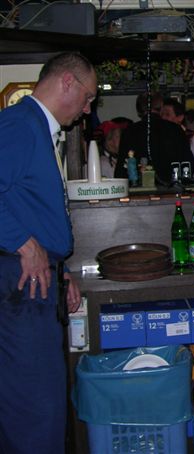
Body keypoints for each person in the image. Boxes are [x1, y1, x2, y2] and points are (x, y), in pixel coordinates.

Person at [0, 51, 89, 454]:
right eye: (88, 97)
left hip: (37, 278)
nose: (87, 109)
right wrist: (23, 242)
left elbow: (25, 203)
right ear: (67, 81)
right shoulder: (21, 124)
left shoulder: (35, 127)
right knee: (34, 405)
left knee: (44, 400)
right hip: (19, 283)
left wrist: (58, 269)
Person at [114, 92, 194, 185]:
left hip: (138, 187)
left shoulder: (129, 131)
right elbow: (188, 163)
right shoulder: (175, 129)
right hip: (170, 187)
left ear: (139, 110)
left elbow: (121, 170)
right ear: (161, 107)